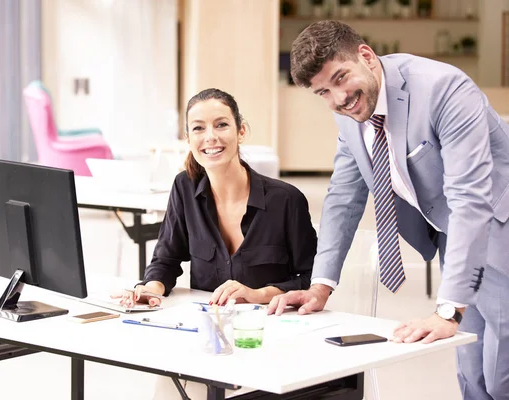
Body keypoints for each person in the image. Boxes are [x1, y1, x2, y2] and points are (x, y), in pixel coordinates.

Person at [266, 20, 509, 400]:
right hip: (456, 236)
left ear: (365, 55)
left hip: (498, 227)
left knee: (500, 376)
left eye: (341, 79)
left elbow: (469, 198)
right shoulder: (349, 112)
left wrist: (447, 311)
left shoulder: (445, 89)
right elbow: (343, 196)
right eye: (323, 92)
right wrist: (320, 286)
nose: (338, 99)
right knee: (472, 373)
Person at [114, 88, 317, 398]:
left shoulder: (286, 200)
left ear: (241, 130)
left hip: (268, 343)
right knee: (166, 386)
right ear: (188, 138)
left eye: (221, 124)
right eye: (198, 128)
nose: (210, 137)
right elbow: (166, 260)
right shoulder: (184, 187)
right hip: (210, 342)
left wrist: (258, 294)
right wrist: (150, 290)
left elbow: (312, 279)